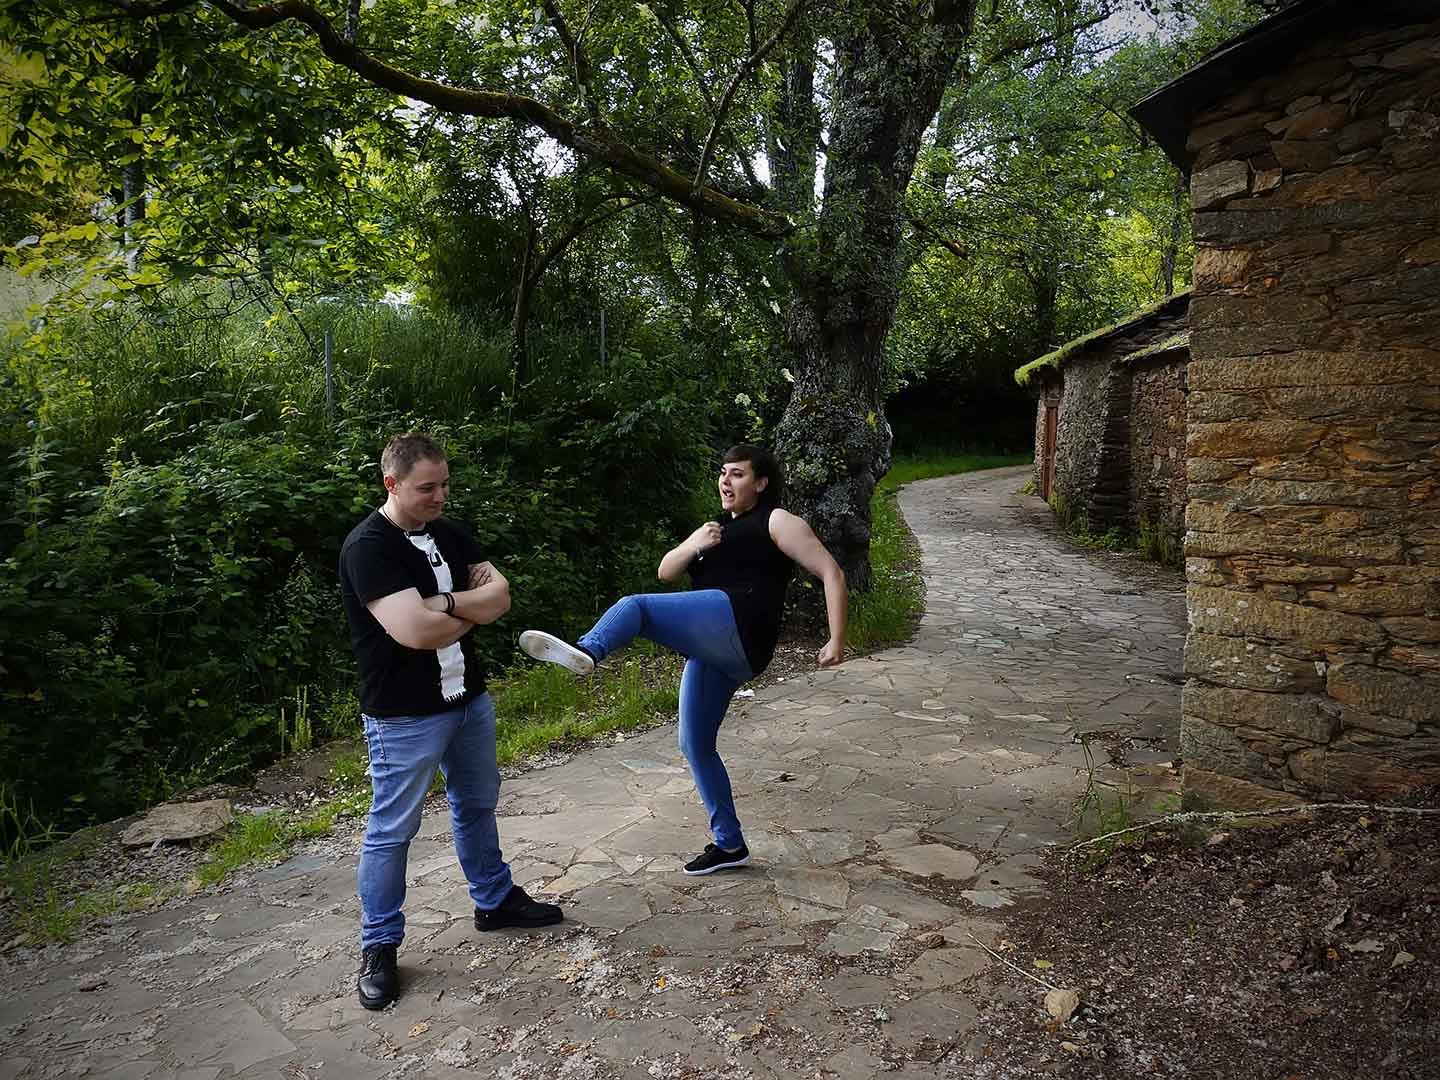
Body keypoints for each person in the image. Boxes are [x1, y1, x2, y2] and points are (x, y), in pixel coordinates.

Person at [518, 444, 846, 875]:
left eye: (738, 475)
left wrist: (836, 639)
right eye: (723, 473)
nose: (726, 481)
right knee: (694, 744)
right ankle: (730, 845)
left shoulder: (776, 520)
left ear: (761, 483)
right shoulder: (712, 532)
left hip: (741, 622)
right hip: (719, 650)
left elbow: (831, 572)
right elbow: (666, 571)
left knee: (637, 607)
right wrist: (696, 541)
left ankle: (589, 650)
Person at [338, 433, 562, 1011]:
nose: (440, 496)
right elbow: (414, 633)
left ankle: (494, 901)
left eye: (444, 484)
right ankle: (379, 945)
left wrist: (440, 605)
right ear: (392, 484)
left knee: (478, 803)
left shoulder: (451, 532)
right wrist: (463, 609)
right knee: (391, 832)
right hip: (404, 716)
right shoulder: (369, 548)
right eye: (427, 488)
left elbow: (502, 597)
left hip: (469, 701)